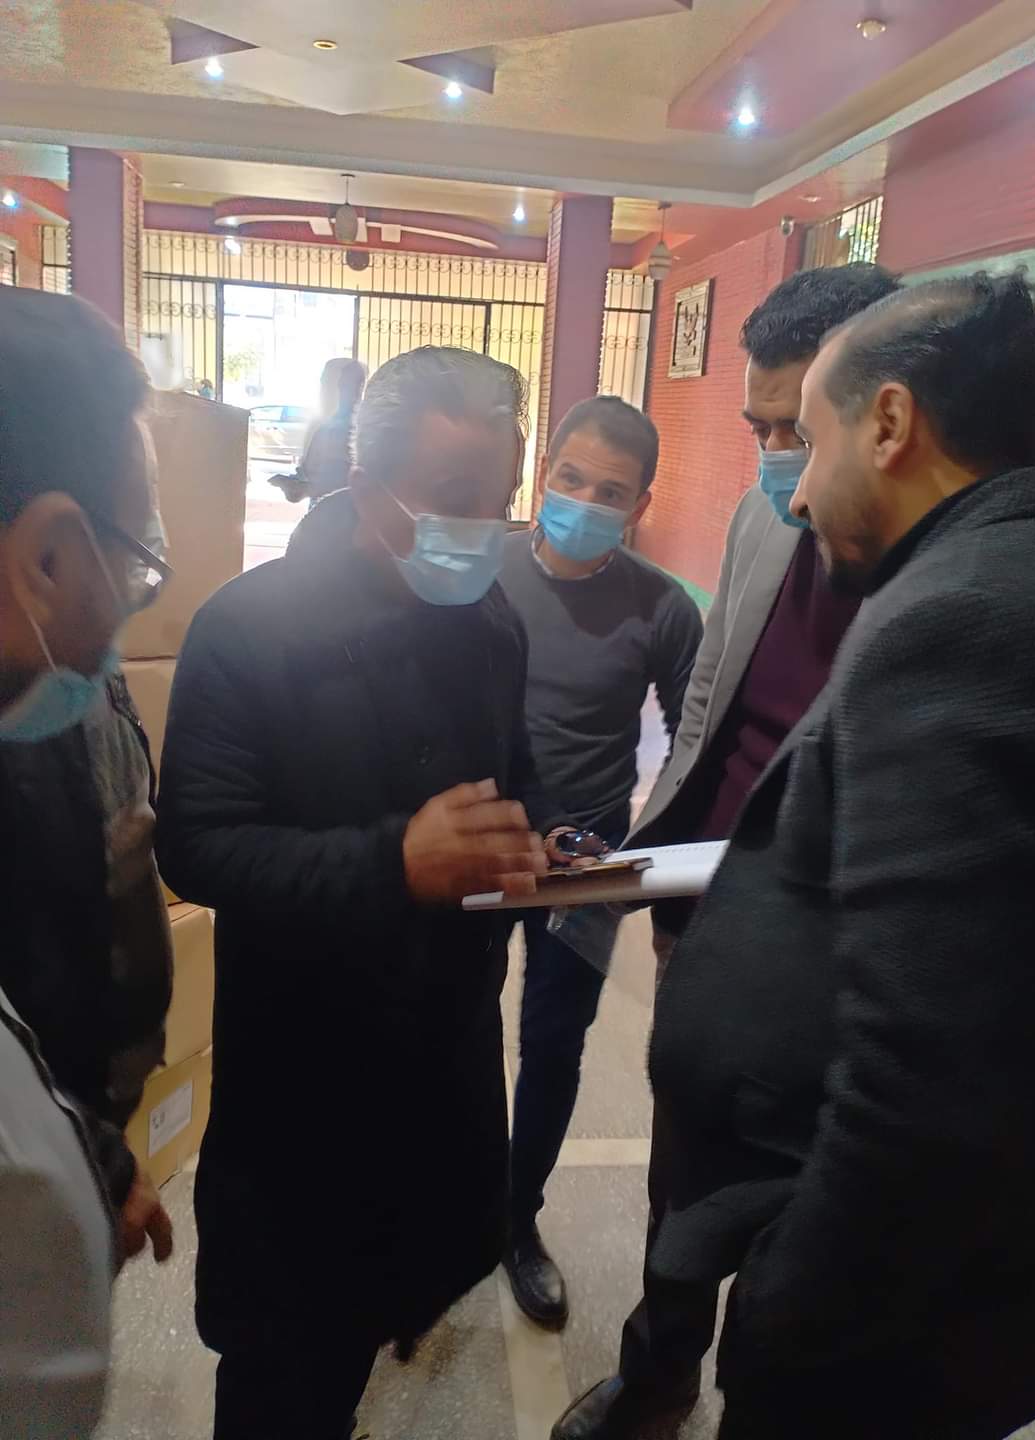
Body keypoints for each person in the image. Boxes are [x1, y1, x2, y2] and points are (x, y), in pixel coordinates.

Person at [654, 271, 1035, 1438]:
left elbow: (926, 1076)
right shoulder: (1020, 567)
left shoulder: (961, 620)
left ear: (888, 423)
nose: (793, 486)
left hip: (887, 1325)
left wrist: (791, 1311)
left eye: (811, 434)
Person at [156, 347, 574, 1440]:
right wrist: (394, 863)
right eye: (451, 497)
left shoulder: (491, 621)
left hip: (445, 1057)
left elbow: (514, 773)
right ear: (362, 482)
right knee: (288, 1369)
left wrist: (542, 837)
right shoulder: (250, 626)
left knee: (414, 1282)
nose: (480, 528)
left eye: (498, 498)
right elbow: (197, 845)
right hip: (305, 1082)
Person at [554, 261, 901, 1440]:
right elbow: (707, 700)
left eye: (796, 430)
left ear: (883, 411)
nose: (776, 459)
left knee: (808, 1205)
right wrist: (656, 863)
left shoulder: (936, 560)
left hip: (835, 943)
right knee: (682, 1164)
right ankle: (659, 1379)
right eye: (761, 430)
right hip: (706, 911)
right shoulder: (762, 517)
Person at [0, 287, 169, 1434]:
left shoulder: (53, 699)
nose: (129, 609)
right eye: (135, 561)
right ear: (50, 557)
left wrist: (98, 1155)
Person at [498, 396, 702, 1326]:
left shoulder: (662, 607)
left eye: (609, 491)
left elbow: (694, 746)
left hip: (587, 864)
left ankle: (515, 1220)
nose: (583, 500)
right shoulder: (484, 575)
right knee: (447, 1029)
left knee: (553, 1043)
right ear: (544, 472)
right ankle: (442, 1209)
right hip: (482, 841)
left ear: (640, 504)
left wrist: (640, 870)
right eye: (570, 477)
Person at [271, 357, 368, 505]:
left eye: (328, 382)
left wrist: (302, 488)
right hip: (324, 511)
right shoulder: (325, 425)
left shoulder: (351, 429)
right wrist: (295, 485)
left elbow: (344, 483)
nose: (323, 388)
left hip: (338, 514)